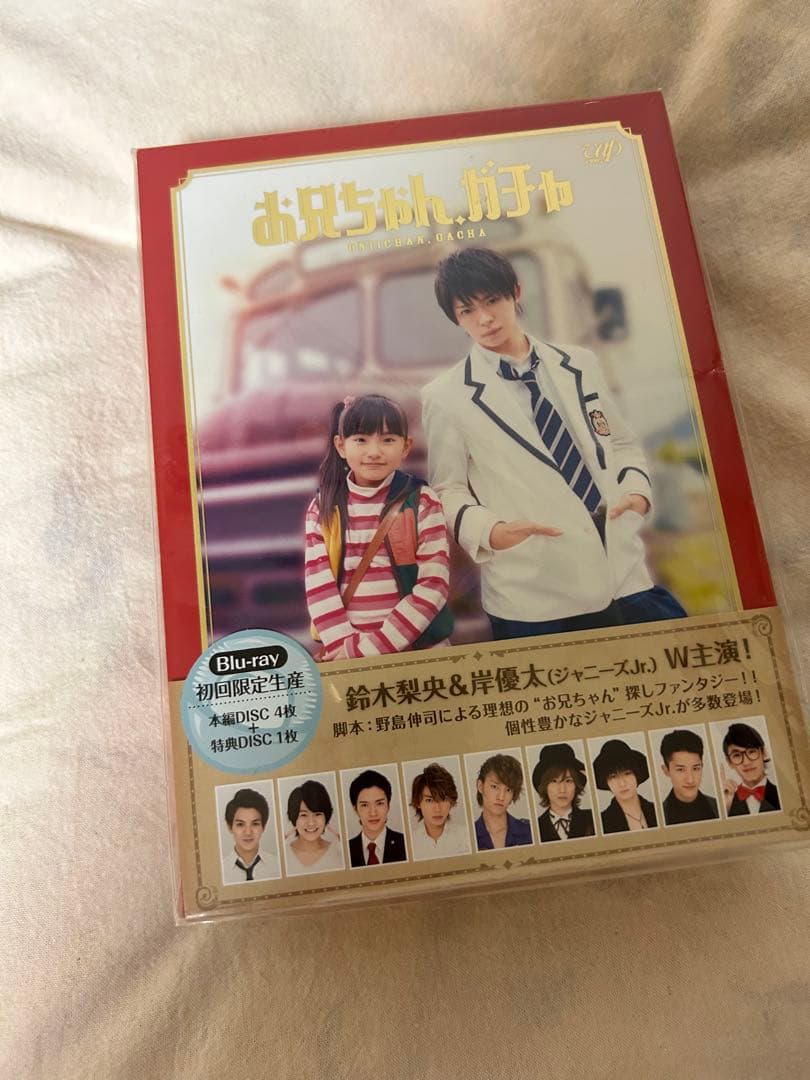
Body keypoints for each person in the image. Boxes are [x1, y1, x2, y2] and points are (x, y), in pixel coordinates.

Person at [421, 246, 686, 638]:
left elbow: (621, 444)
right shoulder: (445, 396)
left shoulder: (579, 363)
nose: (485, 318)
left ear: (516, 291)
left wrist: (637, 493)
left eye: (492, 300)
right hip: (535, 593)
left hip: (623, 572)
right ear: (455, 319)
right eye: (467, 311)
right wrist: (490, 531)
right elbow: (448, 488)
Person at [305, 393, 453, 661]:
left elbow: (434, 584)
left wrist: (367, 649)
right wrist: (346, 649)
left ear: (406, 447)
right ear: (341, 446)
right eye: (361, 440)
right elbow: (319, 587)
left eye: (388, 440)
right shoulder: (323, 508)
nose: (374, 452)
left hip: (421, 653)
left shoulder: (422, 501)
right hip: (346, 657)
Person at [531, 744, 595, 842]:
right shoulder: (535, 828)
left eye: (568, 781)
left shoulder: (592, 818)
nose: (562, 790)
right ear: (544, 786)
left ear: (576, 785)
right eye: (554, 781)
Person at [593, 739, 658, 833]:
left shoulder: (658, 810)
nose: (622, 783)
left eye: (627, 773)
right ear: (606, 782)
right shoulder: (602, 823)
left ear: (637, 775)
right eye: (613, 776)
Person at [409, 762, 471, 860]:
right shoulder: (409, 843)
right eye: (429, 800)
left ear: (451, 801)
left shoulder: (467, 836)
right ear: (417, 803)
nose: (437, 809)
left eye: (443, 799)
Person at [348, 769, 407, 866]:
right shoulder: (347, 850)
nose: (373, 813)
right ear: (355, 809)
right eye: (365, 805)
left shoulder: (405, 843)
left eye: (379, 803)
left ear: (388, 805)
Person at [658, 729, 719, 824]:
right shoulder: (658, 817)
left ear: (702, 766)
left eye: (695, 768)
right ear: (666, 770)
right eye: (680, 769)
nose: (690, 780)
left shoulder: (719, 807)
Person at [284, 779, 344, 875]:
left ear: (326, 816)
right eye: (304, 815)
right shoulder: (282, 855)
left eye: (317, 814)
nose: (311, 823)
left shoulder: (340, 852)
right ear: (294, 817)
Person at [474, 753, 533, 850]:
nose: (501, 797)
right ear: (480, 786)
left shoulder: (529, 831)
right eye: (494, 787)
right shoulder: (469, 836)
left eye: (508, 790)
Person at [721, 722, 781, 816]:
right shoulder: (728, 800)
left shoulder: (783, 794)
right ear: (729, 762)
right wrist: (726, 810)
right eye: (737, 755)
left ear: (764, 753)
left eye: (752, 751)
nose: (746, 762)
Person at [222, 788, 280, 884]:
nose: (248, 832)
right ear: (230, 827)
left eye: (255, 824)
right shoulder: (220, 870)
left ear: (263, 827)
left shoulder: (278, 865)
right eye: (240, 824)